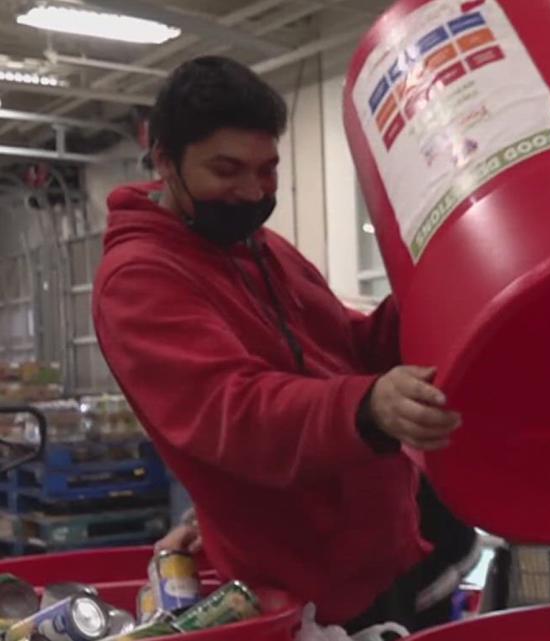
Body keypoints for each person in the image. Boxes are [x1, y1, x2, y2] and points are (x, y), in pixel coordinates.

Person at [93, 56, 476, 633]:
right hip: (308, 587)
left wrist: (428, 295)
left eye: (268, 169)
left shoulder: (260, 247)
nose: (252, 191)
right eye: (227, 170)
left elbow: (347, 347)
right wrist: (368, 405)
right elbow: (236, 411)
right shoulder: (140, 280)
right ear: (166, 161)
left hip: (386, 548)